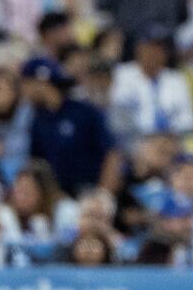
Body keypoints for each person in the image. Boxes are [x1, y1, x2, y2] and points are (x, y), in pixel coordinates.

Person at [23, 56, 122, 197]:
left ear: (40, 84)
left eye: (26, 83)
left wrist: (103, 194)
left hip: (90, 191)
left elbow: (112, 154)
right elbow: (37, 164)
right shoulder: (37, 120)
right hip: (57, 198)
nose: (24, 90)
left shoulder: (85, 111)